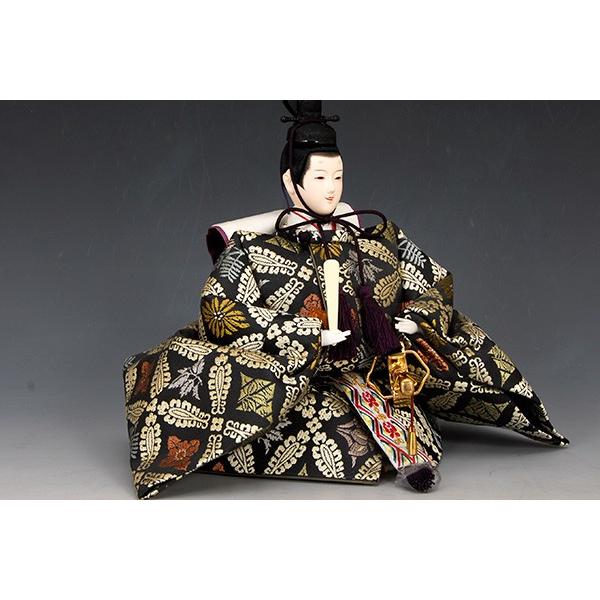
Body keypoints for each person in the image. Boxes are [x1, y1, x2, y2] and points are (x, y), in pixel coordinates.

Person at [123, 101, 569, 500]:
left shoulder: (371, 236)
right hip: (297, 375)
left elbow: (431, 280)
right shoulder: (253, 248)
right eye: (319, 177)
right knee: (323, 423)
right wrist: (307, 334)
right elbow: (220, 310)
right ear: (291, 181)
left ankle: (407, 449)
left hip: (368, 369)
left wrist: (415, 318)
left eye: (338, 177)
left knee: (405, 398)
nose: (331, 189)